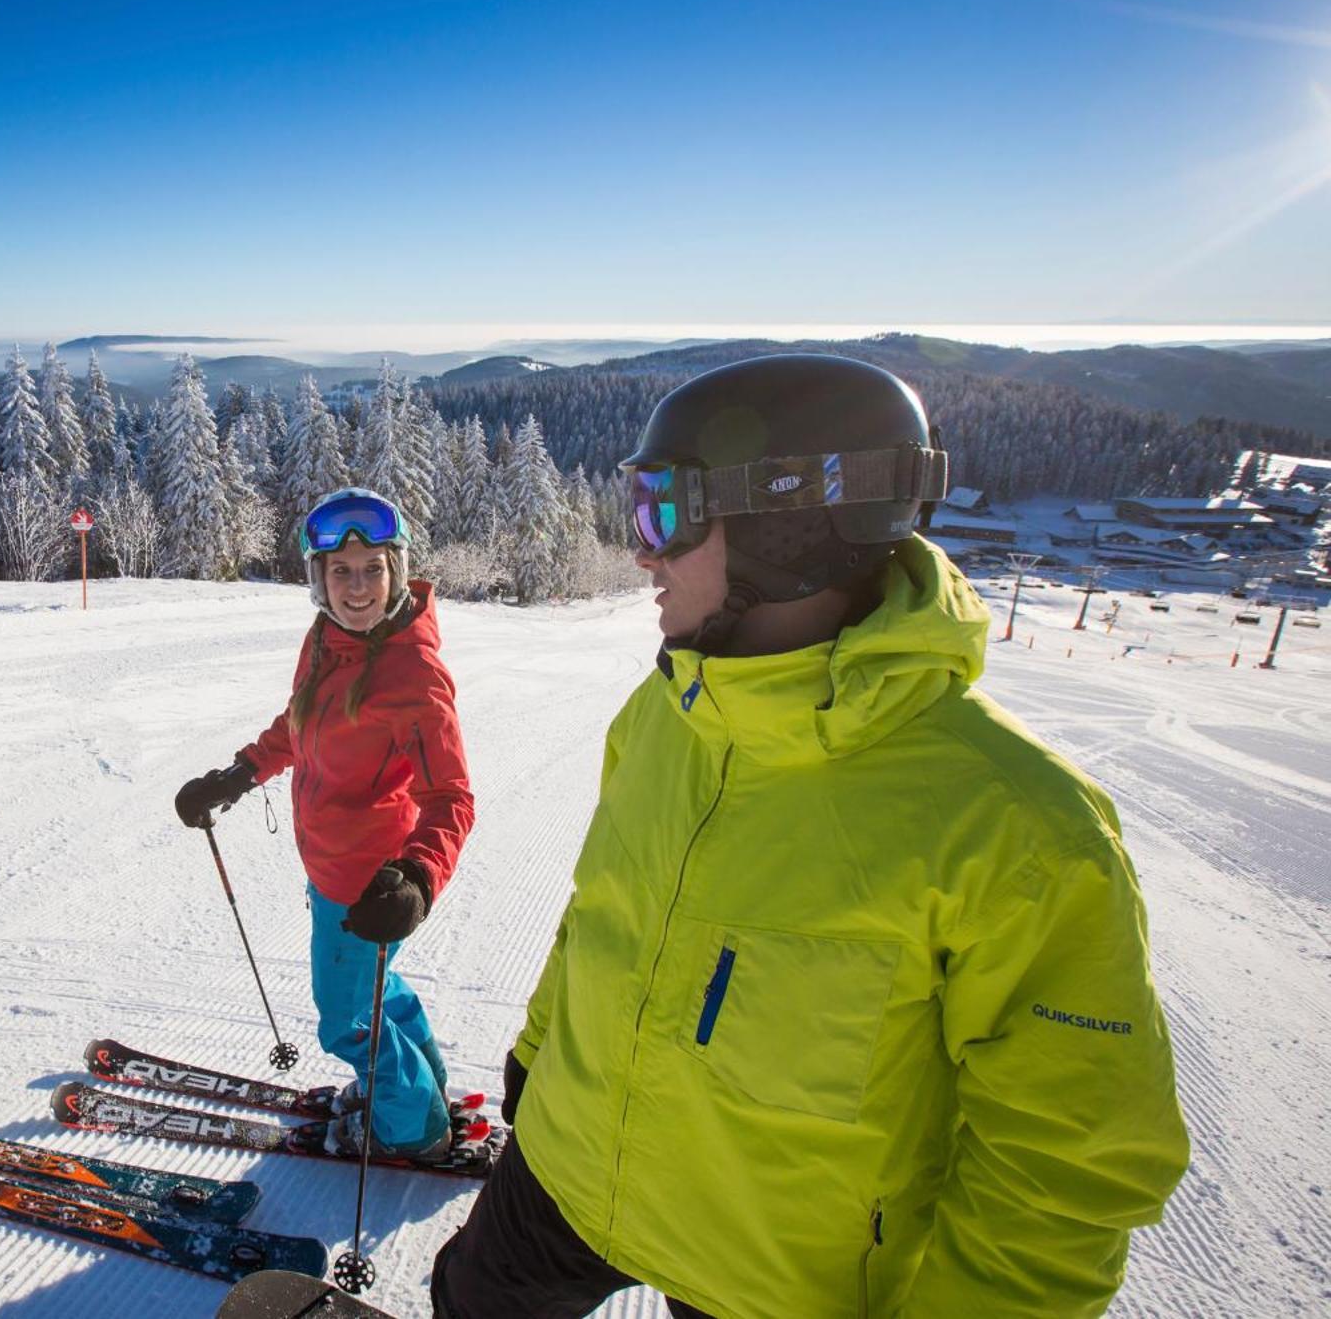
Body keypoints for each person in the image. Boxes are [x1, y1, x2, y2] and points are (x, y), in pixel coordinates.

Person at [432, 354, 1188, 1317]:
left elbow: (1064, 1167)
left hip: (775, 1268)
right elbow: (604, 912)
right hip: (574, 1165)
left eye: (663, 510)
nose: (641, 552)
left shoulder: (1017, 829)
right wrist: (541, 1049)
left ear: (780, 526)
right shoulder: (664, 716)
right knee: (467, 1298)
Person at [175, 488, 475, 1163]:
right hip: (329, 868)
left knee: (344, 1018)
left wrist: (418, 879)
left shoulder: (413, 674)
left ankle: (408, 1130)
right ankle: (419, 1090)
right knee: (377, 991)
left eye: (373, 567)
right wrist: (238, 774)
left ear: (397, 570)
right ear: (319, 578)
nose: (358, 586)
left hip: (368, 885)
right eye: (341, 571)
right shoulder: (327, 641)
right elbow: (299, 725)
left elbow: (451, 796)